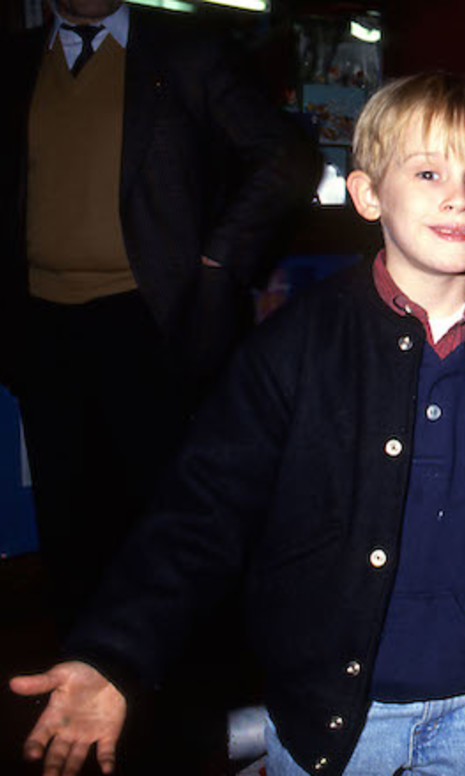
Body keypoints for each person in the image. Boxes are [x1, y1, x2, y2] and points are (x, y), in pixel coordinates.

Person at [10, 71, 465, 776]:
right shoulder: (294, 349)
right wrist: (115, 652)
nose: (458, 195)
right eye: (427, 172)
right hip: (338, 710)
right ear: (366, 195)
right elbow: (202, 509)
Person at [0, 0, 321, 635]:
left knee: (161, 519)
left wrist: (216, 259)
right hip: (41, 325)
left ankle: (166, 685)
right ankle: (84, 675)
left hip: (149, 321)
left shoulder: (185, 48)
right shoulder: (14, 60)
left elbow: (284, 159)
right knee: (66, 523)